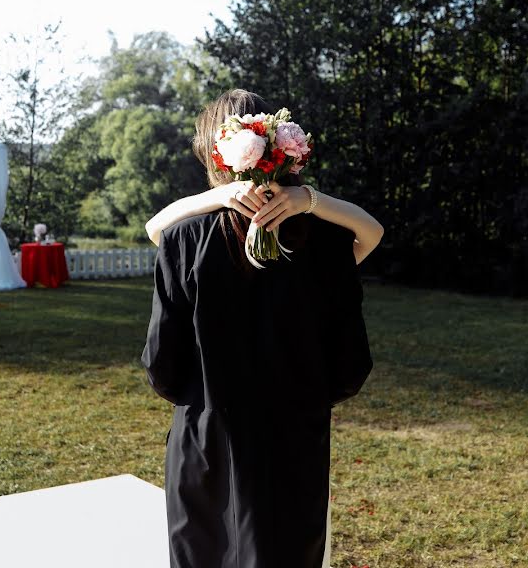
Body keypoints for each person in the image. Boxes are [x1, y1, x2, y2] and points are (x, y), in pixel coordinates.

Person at [140, 89, 379, 568]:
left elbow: (162, 369)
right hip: (295, 441)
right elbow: (351, 366)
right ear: (284, 152)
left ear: (215, 156)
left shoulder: (183, 240)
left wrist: (214, 199)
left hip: (207, 441)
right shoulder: (330, 243)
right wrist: (307, 200)